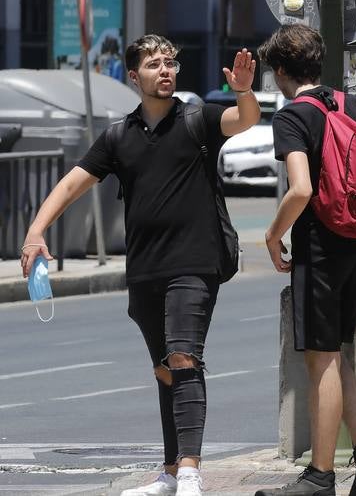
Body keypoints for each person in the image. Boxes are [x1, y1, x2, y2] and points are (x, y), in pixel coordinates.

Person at [20, 34, 260, 496]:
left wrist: (245, 91)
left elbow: (243, 120)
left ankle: (191, 470)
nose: (164, 70)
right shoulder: (118, 135)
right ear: (135, 76)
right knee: (165, 369)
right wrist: (36, 231)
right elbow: (73, 183)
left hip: (196, 262)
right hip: (146, 268)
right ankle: (170, 472)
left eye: (170, 62)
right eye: (153, 64)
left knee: (184, 357)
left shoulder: (198, 119)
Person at [255, 25, 356, 496]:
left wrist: (271, 235)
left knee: (320, 360)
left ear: (281, 70)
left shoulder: (292, 117)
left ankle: (319, 476)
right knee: (337, 351)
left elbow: (301, 189)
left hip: (320, 245)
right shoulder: (353, 104)